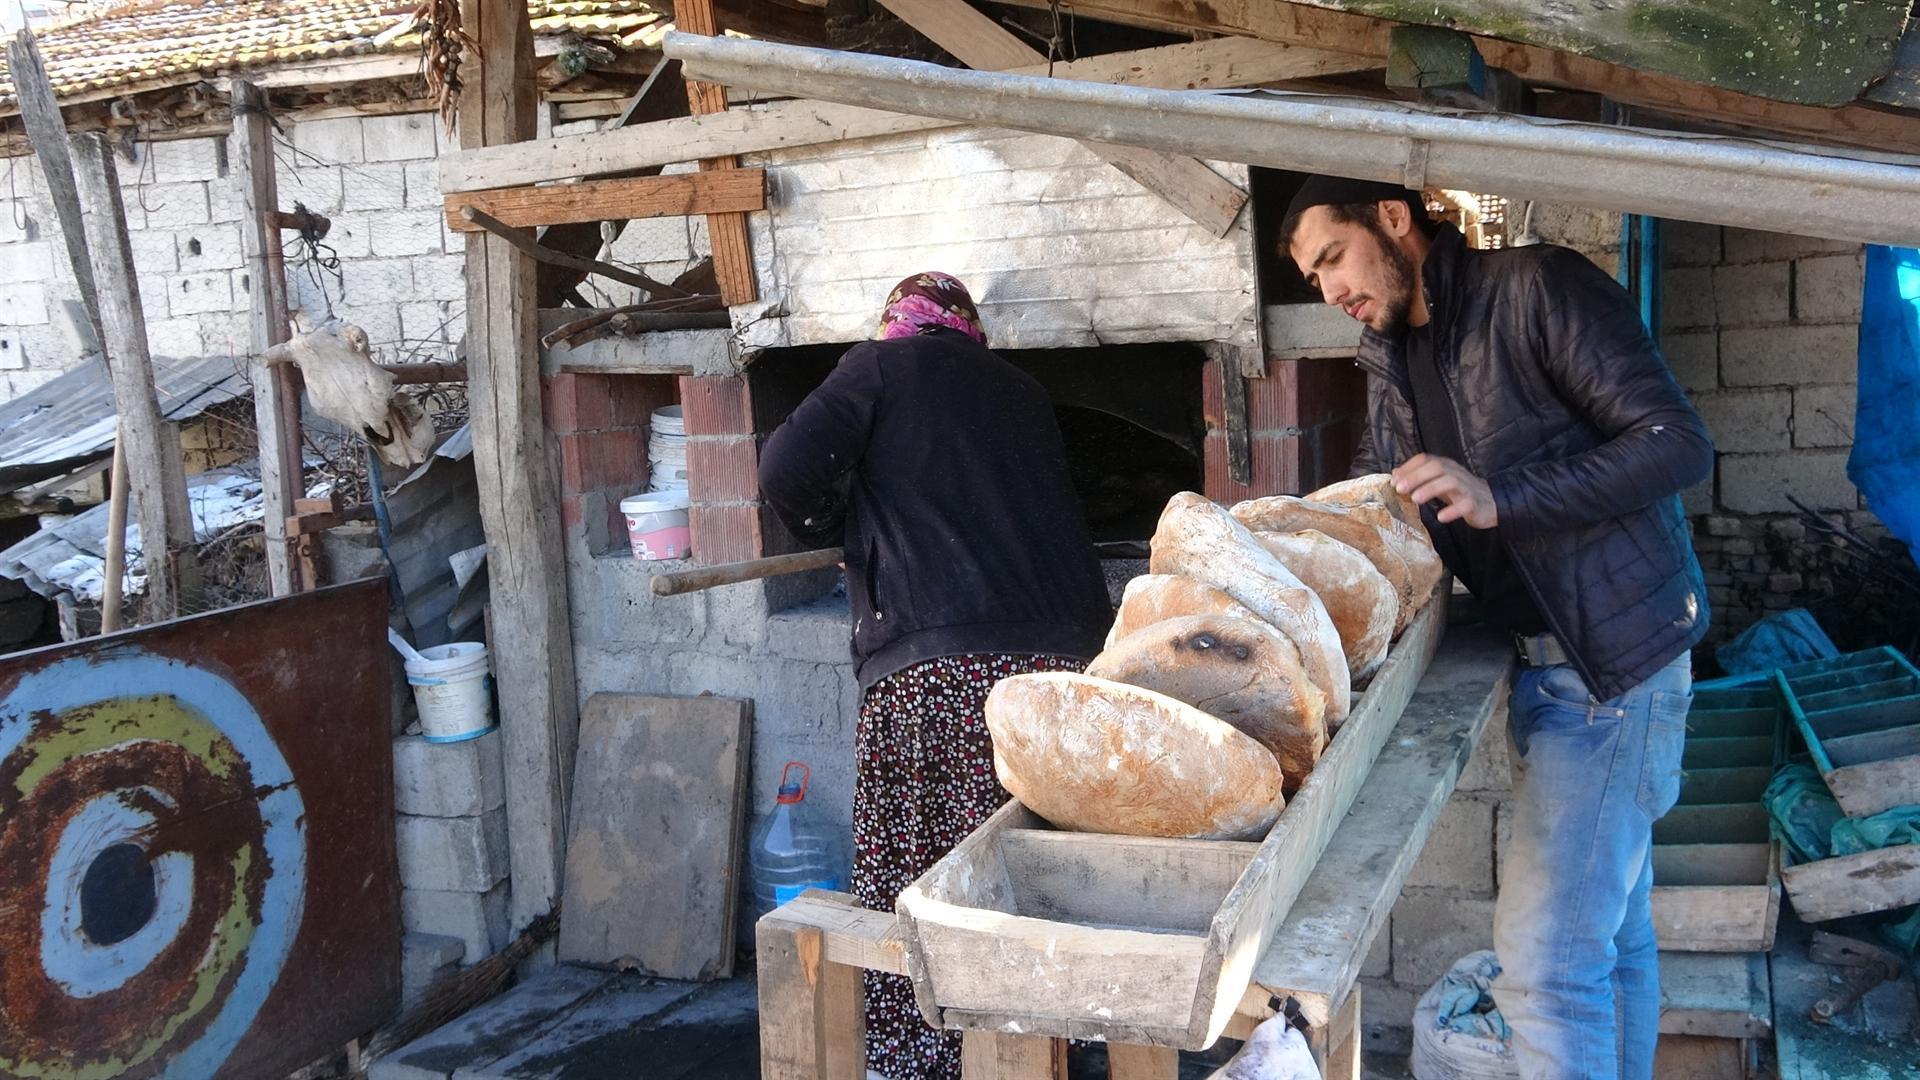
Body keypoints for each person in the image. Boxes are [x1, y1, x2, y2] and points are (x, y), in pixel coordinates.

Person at [1279, 177, 1713, 1080]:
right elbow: (1384, 496)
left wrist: (1499, 498)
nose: (1329, 291)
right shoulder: (1388, 351)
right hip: (1546, 667)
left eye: (1333, 259)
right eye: (1313, 278)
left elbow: (1675, 441)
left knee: (1547, 972)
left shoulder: (1539, 288)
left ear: (1393, 220)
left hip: (1613, 671)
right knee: (1611, 942)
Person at [759, 271, 1113, 1080]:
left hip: (940, 677)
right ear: (966, 326)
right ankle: (1056, 1048)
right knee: (1032, 879)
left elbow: (786, 467)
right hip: (1060, 675)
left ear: (900, 320)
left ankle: (930, 1060)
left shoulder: (882, 365)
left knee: (925, 886)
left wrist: (836, 523)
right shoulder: (1022, 390)